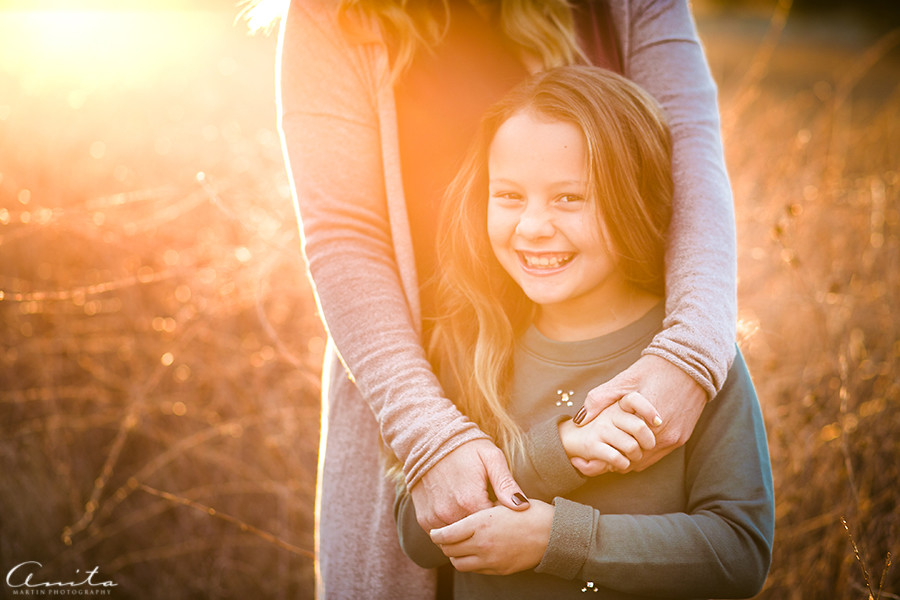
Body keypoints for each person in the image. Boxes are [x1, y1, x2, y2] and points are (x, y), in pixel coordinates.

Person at [275, 0, 737, 597]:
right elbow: (343, 233)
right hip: (403, 379)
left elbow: (689, 152)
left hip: (610, 346)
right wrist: (428, 436)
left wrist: (690, 354)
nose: (535, 225)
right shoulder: (328, 15)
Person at [394, 64, 774, 599]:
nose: (531, 227)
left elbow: (740, 555)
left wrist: (558, 540)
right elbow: (418, 535)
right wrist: (561, 452)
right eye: (508, 196)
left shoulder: (695, 359)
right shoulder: (470, 344)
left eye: (568, 198)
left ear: (635, 200)